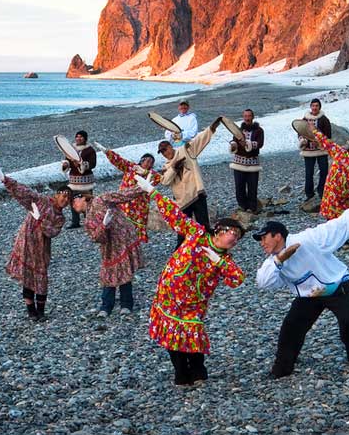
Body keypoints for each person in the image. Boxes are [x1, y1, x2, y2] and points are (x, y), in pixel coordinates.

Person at [132, 172, 245, 386]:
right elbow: (175, 216)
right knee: (171, 335)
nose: (234, 239)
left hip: (194, 304)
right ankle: (181, 373)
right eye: (233, 234)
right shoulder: (197, 234)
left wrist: (219, 262)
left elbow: (237, 279)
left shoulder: (225, 260)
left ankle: (198, 373)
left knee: (192, 334)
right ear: (220, 231)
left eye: (238, 238)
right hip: (169, 296)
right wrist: (153, 192)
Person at [254, 198, 349, 378]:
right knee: (291, 327)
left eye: (264, 237)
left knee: (348, 323)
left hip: (337, 285)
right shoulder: (273, 261)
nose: (262, 243)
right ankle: (282, 369)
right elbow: (263, 283)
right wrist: (280, 259)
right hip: (309, 295)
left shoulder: (306, 239)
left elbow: (334, 228)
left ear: (277, 235)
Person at [0, 162, 68, 320]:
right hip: (26, 242)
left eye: (68, 198)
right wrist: (6, 180)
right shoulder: (41, 201)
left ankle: (41, 311)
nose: (65, 199)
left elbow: (51, 232)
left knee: (41, 278)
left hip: (41, 249)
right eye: (63, 195)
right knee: (28, 277)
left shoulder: (60, 217)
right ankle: (31, 311)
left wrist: (40, 219)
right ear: (56, 194)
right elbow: (24, 192)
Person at [73, 188, 145, 316]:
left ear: (83, 198)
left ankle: (123, 305)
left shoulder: (101, 199)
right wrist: (104, 225)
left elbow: (122, 196)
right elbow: (97, 238)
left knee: (124, 271)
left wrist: (141, 189)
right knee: (109, 274)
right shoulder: (88, 220)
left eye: (75, 200)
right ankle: (108, 306)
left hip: (124, 240)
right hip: (110, 247)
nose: (73, 205)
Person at [158, 116, 222, 246]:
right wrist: (174, 168)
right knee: (182, 230)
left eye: (165, 149)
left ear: (171, 146)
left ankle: (210, 249)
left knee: (204, 224)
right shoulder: (166, 166)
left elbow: (199, 140)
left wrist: (211, 128)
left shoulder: (185, 150)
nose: (164, 153)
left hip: (197, 194)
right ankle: (180, 255)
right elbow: (164, 181)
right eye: (162, 152)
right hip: (182, 201)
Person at [92, 142, 162, 244]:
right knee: (122, 226)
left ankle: (135, 247)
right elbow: (119, 161)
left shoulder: (151, 175)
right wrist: (107, 151)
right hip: (125, 204)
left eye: (151, 162)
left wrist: (146, 173)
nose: (149, 164)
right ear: (141, 161)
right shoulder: (131, 168)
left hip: (140, 207)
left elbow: (159, 178)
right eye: (148, 161)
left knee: (137, 231)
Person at [308, 123, 349, 221]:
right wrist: (315, 131)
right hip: (330, 199)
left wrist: (348, 166)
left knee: (342, 228)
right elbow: (327, 142)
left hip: (343, 204)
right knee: (330, 227)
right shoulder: (340, 153)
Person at [229, 108, 265, 213]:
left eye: (249, 116)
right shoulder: (238, 131)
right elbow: (234, 141)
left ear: (252, 117)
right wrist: (233, 144)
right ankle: (242, 205)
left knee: (252, 186)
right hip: (238, 162)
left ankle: (252, 207)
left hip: (253, 163)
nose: (247, 118)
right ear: (243, 117)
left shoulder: (259, 130)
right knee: (239, 186)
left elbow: (260, 144)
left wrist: (248, 143)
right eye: (245, 116)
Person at [61, 130, 96, 229]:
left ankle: (89, 221)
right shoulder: (70, 150)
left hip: (86, 181)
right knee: (73, 201)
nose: (78, 138)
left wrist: (81, 164)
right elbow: (67, 161)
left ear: (85, 138)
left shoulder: (90, 150)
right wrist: (65, 164)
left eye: (81, 137)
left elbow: (93, 164)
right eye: (77, 137)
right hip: (74, 181)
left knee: (87, 200)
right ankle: (75, 222)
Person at [299, 99, 332, 202]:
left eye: (316, 106)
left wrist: (319, 142)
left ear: (319, 107)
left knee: (324, 171)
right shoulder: (305, 119)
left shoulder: (324, 119)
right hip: (308, 151)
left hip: (321, 150)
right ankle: (309, 194)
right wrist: (304, 141)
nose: (314, 108)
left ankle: (322, 191)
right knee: (309, 173)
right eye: (313, 106)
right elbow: (300, 132)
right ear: (310, 107)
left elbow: (328, 136)